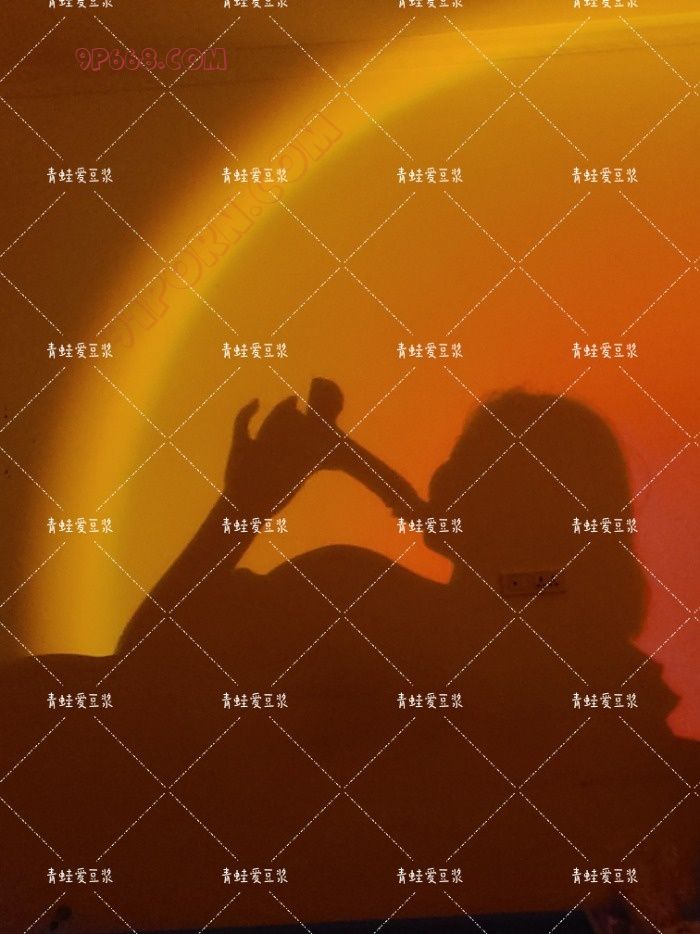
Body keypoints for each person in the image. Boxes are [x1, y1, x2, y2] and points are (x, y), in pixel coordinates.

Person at [2, 382, 698, 933]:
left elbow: (140, 671)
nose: (442, 477)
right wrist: (247, 503)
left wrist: (247, 505)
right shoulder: (354, 595)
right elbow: (141, 678)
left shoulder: (364, 600)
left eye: (474, 466)